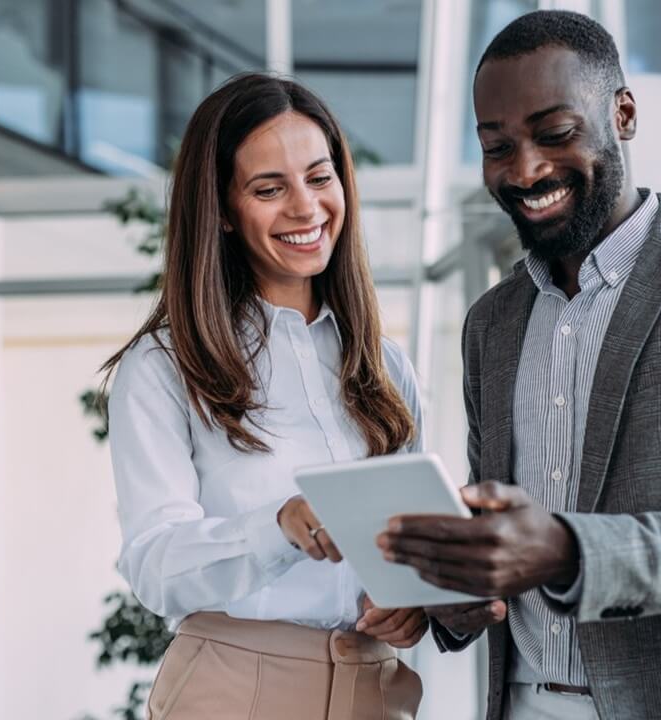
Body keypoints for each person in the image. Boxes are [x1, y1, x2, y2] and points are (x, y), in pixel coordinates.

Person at [378, 11, 661, 720]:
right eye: (497, 147)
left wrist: (566, 549)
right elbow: (500, 538)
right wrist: (458, 592)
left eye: (555, 135)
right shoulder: (490, 325)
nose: (525, 170)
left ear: (622, 113)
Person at [103, 73, 426, 720]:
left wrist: (415, 600)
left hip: (374, 689)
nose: (306, 208)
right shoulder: (164, 367)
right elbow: (155, 566)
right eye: (269, 189)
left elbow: (412, 539)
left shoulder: (385, 365)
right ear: (222, 209)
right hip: (233, 688)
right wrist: (280, 527)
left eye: (319, 177)